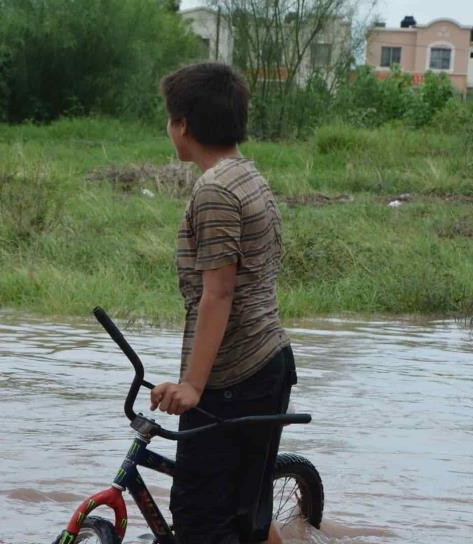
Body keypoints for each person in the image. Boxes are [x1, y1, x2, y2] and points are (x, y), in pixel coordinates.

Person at [150, 63, 298, 544]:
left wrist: (193, 385)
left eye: (170, 118)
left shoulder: (214, 190)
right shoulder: (246, 173)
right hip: (265, 363)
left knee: (200, 518)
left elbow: (220, 291)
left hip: (234, 378)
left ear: (184, 125)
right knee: (246, 514)